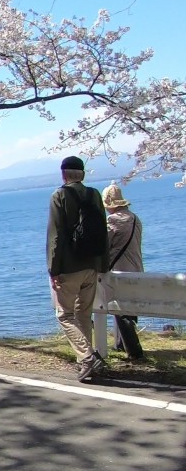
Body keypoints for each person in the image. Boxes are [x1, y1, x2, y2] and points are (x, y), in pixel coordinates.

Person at [47, 155, 109, 382]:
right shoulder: (94, 195)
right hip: (92, 265)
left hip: (69, 267)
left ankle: (87, 357)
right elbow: (104, 233)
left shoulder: (59, 195)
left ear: (64, 174)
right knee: (83, 314)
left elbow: (55, 237)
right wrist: (103, 265)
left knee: (64, 315)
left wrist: (53, 270)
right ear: (82, 174)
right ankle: (87, 361)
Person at [104, 182, 145, 361]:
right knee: (128, 307)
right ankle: (120, 343)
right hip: (137, 269)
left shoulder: (113, 221)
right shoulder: (135, 218)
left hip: (120, 271)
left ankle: (132, 349)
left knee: (120, 308)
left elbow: (105, 245)